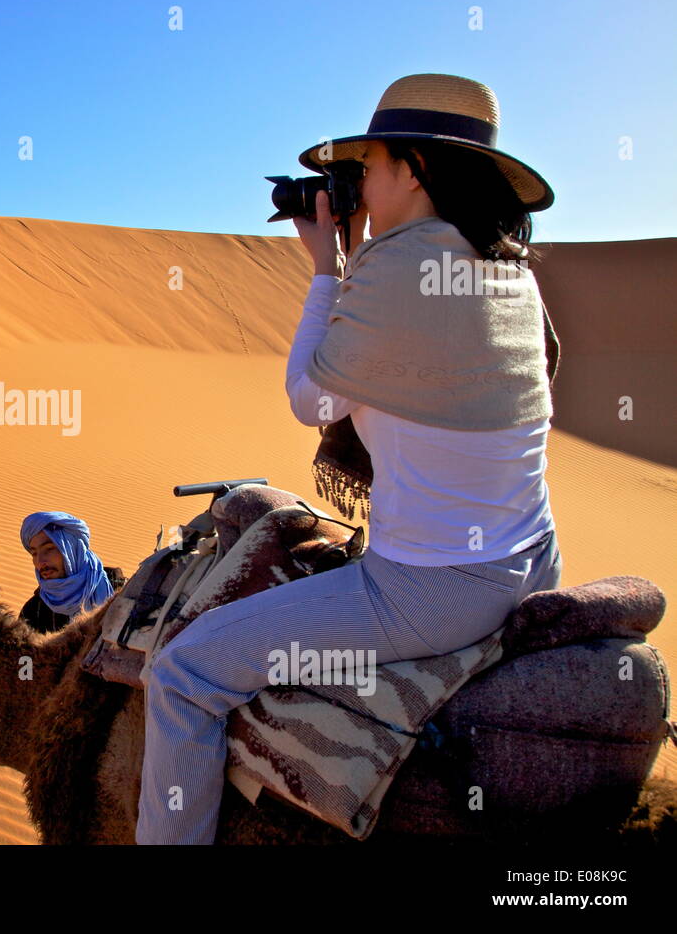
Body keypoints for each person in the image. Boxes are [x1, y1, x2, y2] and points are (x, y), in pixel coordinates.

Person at [136, 73, 564, 844]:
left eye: (369, 162)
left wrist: (328, 268)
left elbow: (312, 399)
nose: (358, 179)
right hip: (534, 557)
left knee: (183, 674)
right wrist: (357, 251)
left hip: (434, 591)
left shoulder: (400, 267)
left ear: (415, 169)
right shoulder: (506, 267)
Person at [0, 511, 125, 764]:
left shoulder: (119, 591)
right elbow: (20, 683)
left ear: (71, 547)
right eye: (33, 552)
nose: (40, 561)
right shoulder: (36, 612)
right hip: (73, 737)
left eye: (49, 548)